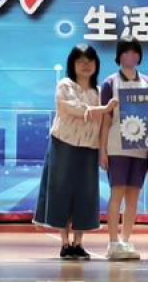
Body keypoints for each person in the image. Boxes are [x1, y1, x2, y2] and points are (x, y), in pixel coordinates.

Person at [34, 44, 115, 260]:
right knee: (62, 192)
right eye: (80, 61)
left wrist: (103, 150)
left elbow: (105, 124)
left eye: (90, 61)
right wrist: (104, 109)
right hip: (63, 144)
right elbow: (72, 108)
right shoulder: (65, 85)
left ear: (96, 64)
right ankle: (64, 243)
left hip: (89, 148)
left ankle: (78, 243)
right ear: (73, 64)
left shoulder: (100, 92)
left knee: (85, 194)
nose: (86, 65)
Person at [100, 37, 148, 260]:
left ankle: (125, 240)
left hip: (141, 149)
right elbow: (105, 120)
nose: (130, 56)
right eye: (125, 52)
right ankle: (112, 243)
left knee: (134, 196)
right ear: (119, 56)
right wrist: (102, 150)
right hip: (117, 147)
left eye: (134, 52)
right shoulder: (110, 83)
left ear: (139, 56)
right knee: (117, 193)